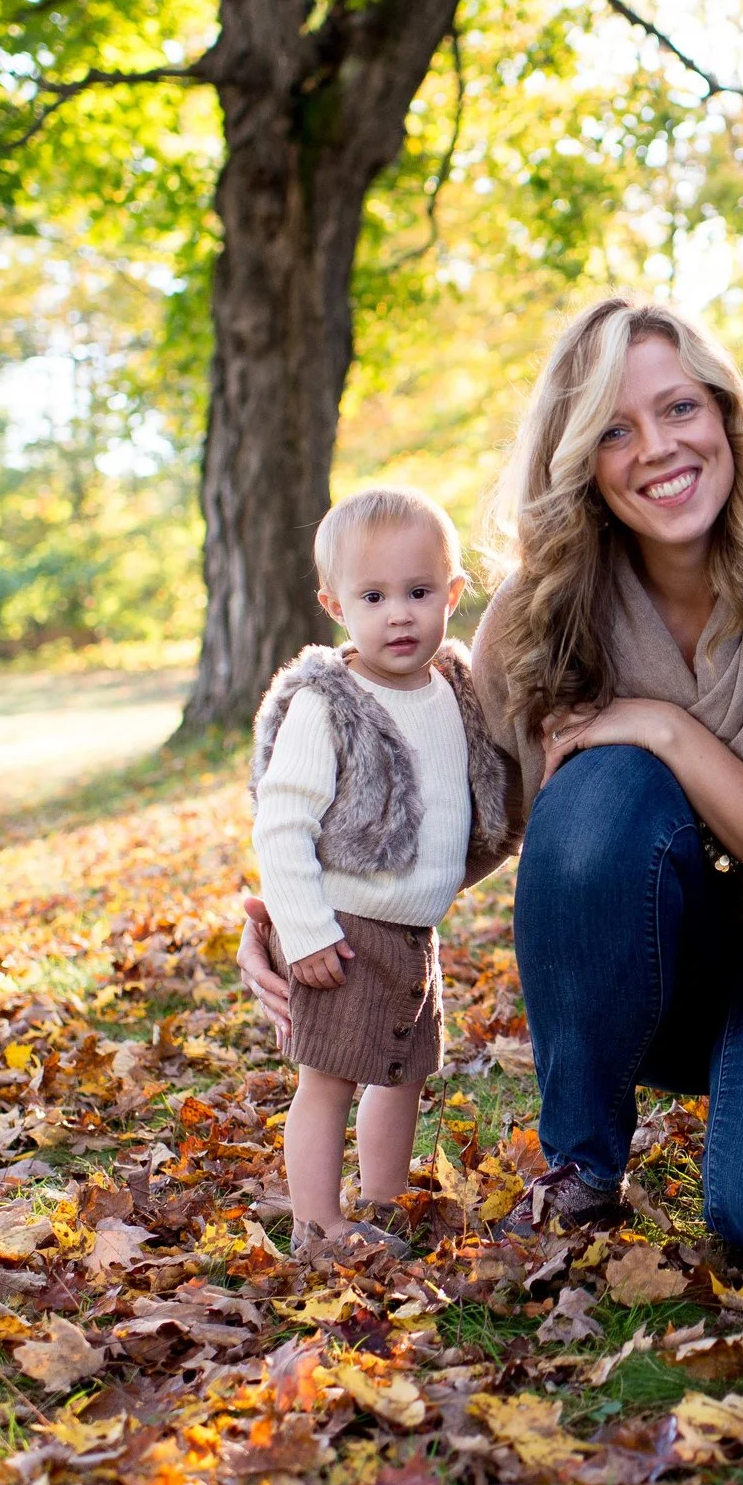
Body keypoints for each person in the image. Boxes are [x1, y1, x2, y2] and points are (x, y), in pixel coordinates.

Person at [241, 297, 743, 1270]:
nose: (658, 448)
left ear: (725, 415)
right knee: (601, 786)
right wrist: (302, 913)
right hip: (637, 980)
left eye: (680, 408)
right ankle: (583, 1169)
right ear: (579, 458)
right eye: (613, 431)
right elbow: (480, 821)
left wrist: (667, 731)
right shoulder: (542, 611)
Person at [249, 487, 516, 1256]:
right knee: (328, 1079)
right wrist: (303, 930)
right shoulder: (330, 703)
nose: (399, 614)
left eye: (418, 592)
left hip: (410, 933)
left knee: (402, 1072)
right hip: (340, 926)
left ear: (453, 595)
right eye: (374, 597)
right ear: (335, 606)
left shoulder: (456, 692)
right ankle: (318, 1224)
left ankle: (384, 1199)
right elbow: (282, 820)